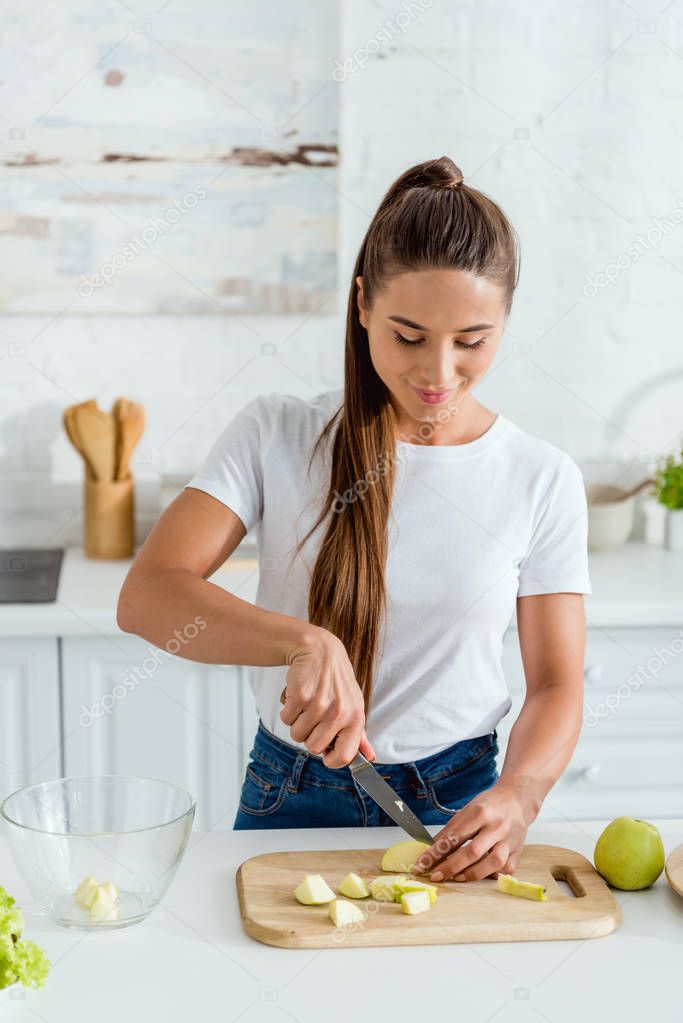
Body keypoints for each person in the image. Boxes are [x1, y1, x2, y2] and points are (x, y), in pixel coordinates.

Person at [117, 156, 591, 884]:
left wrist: (520, 794)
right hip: (290, 794)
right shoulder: (274, 434)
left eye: (471, 340)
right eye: (408, 335)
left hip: (459, 804)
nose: (437, 373)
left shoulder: (541, 476)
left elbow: (556, 684)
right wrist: (301, 641)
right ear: (363, 303)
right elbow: (148, 595)